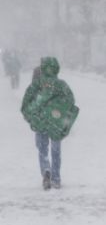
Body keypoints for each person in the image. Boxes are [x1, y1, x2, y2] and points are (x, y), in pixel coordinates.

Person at [21, 57, 76, 190]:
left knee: (42, 149)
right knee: (56, 151)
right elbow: (71, 101)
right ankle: (56, 178)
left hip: (40, 121)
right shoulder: (61, 85)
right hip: (56, 123)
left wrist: (31, 118)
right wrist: (60, 111)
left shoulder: (36, 84)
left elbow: (26, 104)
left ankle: (46, 170)